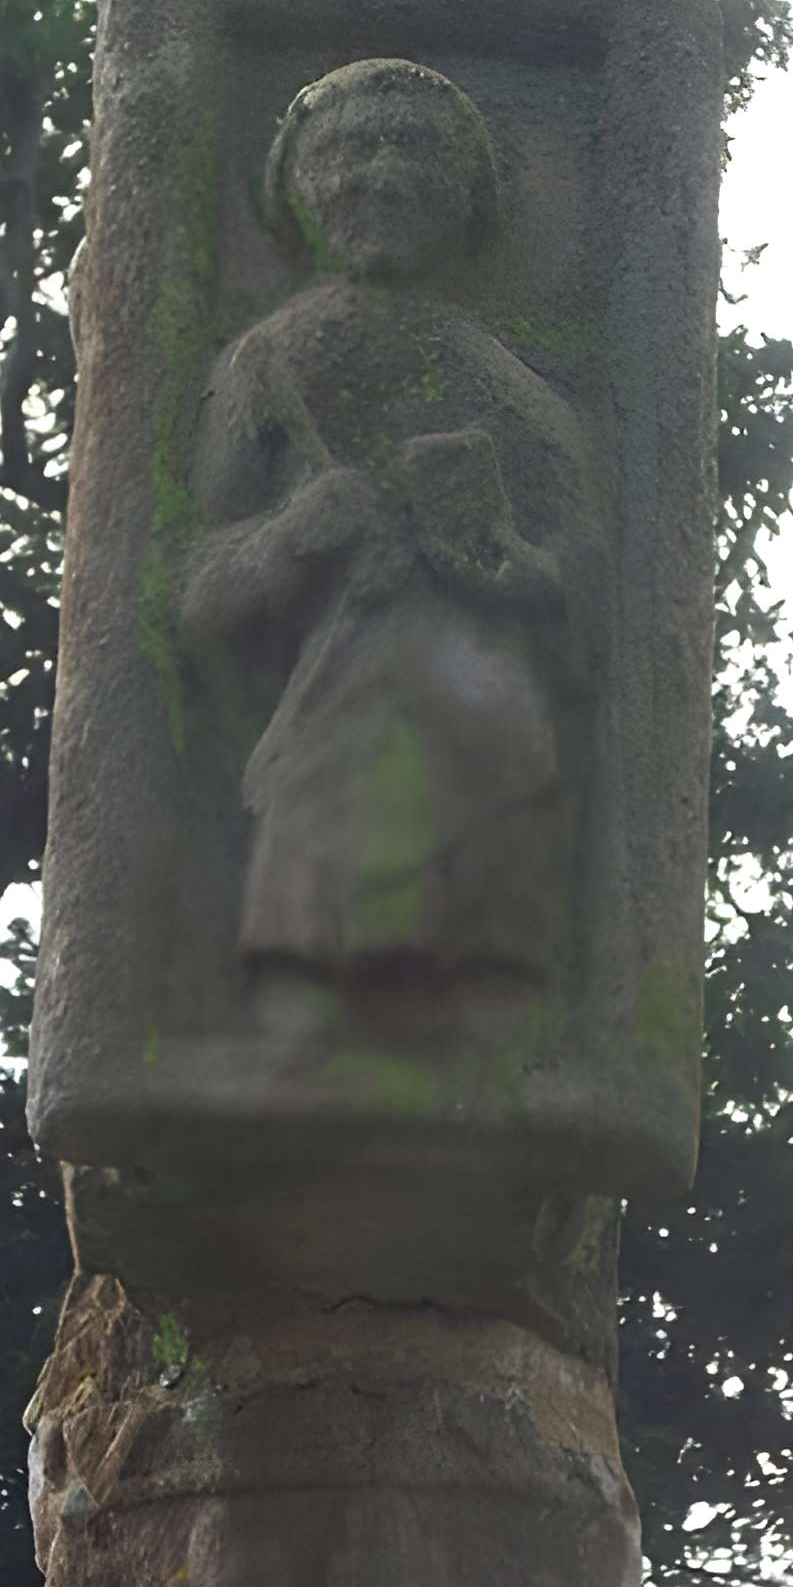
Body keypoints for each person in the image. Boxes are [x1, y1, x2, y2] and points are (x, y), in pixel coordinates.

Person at [180, 60, 598, 987]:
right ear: (300, 184)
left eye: (413, 150)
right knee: (311, 998)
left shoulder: (492, 376)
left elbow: (585, 575)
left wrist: (498, 554)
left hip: (480, 755)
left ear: (463, 190)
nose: (381, 177)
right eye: (348, 152)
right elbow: (197, 591)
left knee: (478, 998)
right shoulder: (266, 365)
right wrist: (289, 536)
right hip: (334, 742)